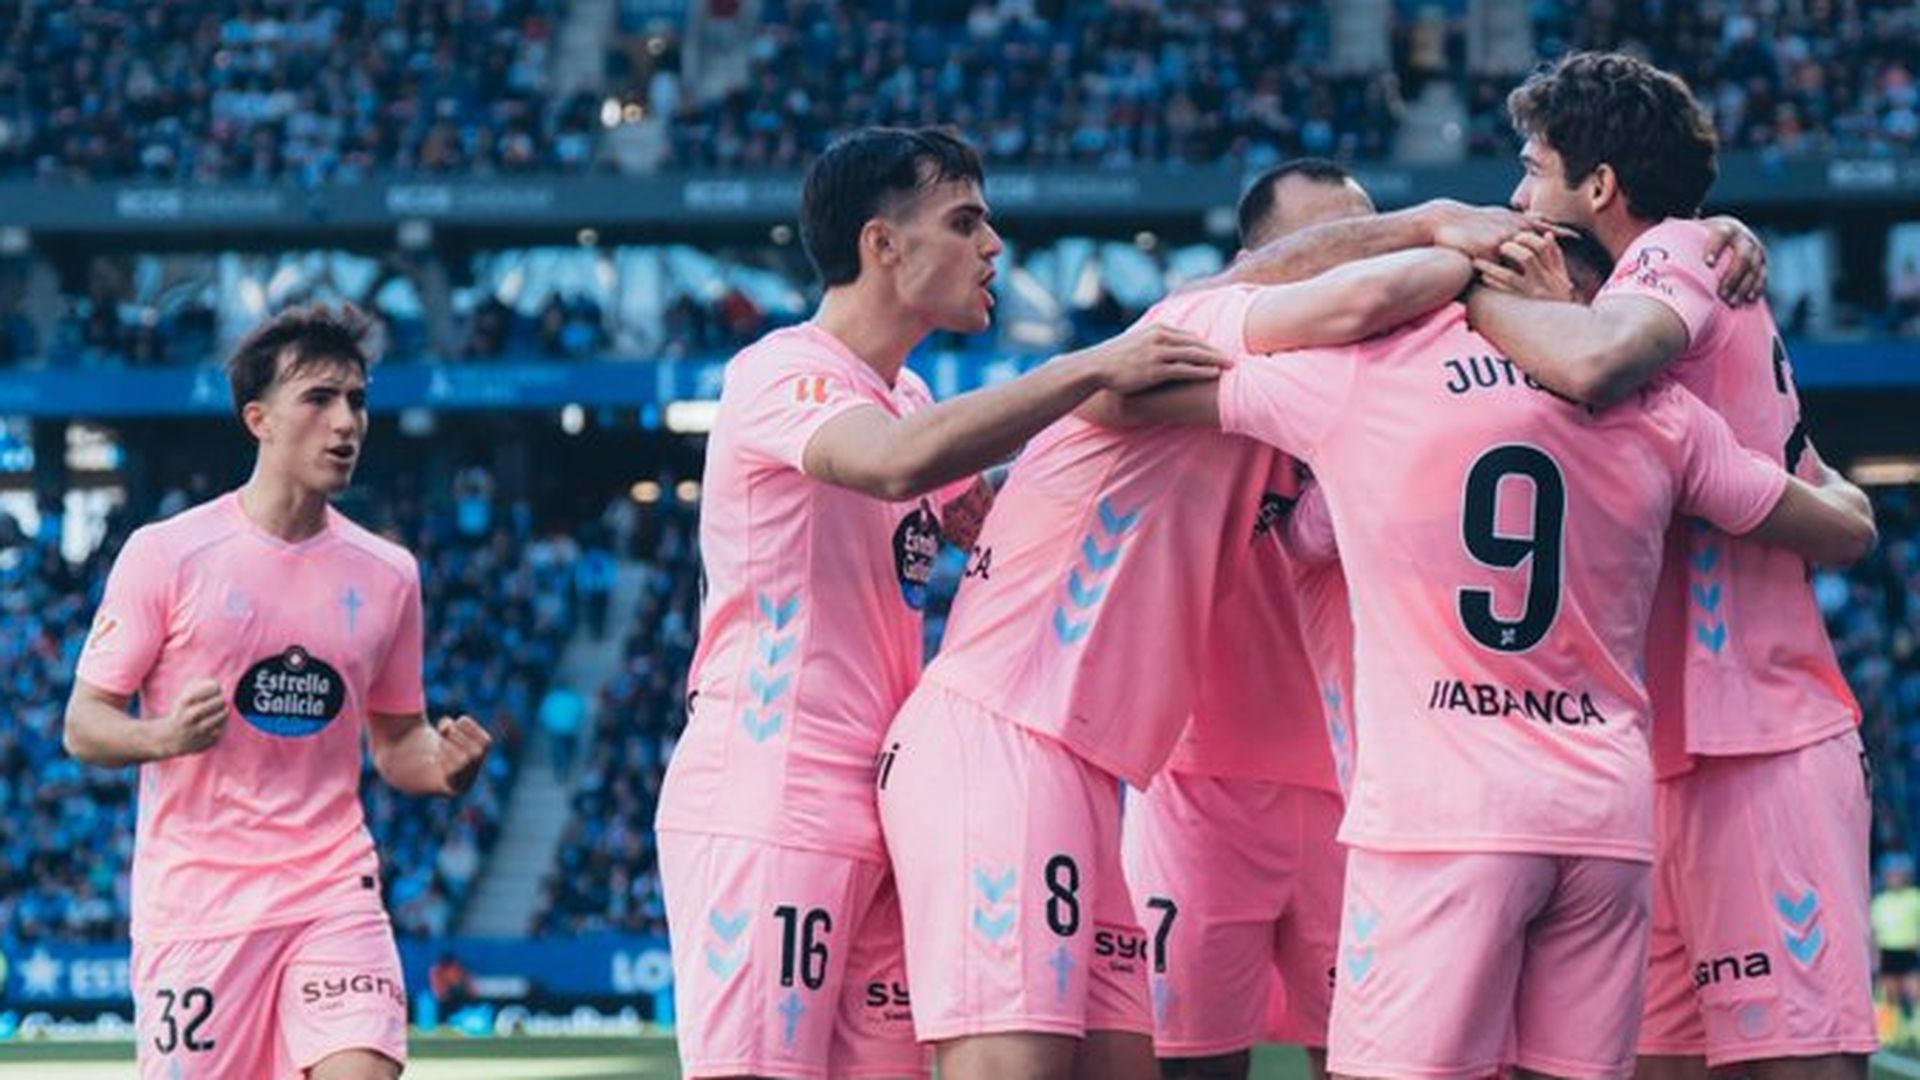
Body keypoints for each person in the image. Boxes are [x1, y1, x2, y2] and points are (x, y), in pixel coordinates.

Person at [1085, 232, 1877, 1080]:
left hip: (1448, 818)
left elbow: (1139, 389)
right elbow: (1836, 528)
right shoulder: (1660, 411)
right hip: (1605, 820)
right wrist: (1830, 474)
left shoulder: (1377, 378)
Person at [875, 191, 1511, 1076]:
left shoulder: (1292, 397)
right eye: (1337, 241)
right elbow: (1356, 295)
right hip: (1010, 735)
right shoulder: (1191, 324)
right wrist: (1454, 225)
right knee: (1013, 1062)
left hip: (1090, 764)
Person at [652, 126, 1234, 1080]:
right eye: (966, 222)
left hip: (897, 800)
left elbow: (1002, 519)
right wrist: (1089, 368)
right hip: (773, 791)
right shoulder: (779, 373)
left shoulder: (908, 391)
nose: (993, 246)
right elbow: (891, 467)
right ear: (882, 245)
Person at [1466, 51, 1880, 1079]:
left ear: (1598, 186)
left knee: (1798, 1062)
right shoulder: (1688, 266)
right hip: (1650, 753)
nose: (1515, 198)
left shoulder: (1674, 256)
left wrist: (1465, 289)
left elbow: (1601, 360)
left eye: (1532, 168)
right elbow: (1835, 498)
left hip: (1758, 740)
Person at [63, 302, 495, 1080]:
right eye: (320, 398)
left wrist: (446, 766)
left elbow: (399, 745)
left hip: (333, 891)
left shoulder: (389, 574)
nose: (346, 422)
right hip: (199, 908)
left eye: (358, 400)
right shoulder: (167, 554)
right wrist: (160, 737)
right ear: (258, 419)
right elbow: (84, 725)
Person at [1117, 159, 1371, 1080]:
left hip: (1366, 792)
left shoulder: (1410, 375)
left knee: (1371, 1062)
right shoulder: (1188, 366)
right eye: (1315, 248)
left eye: (1359, 242)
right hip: (1198, 782)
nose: (1343, 269)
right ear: (1249, 267)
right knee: (1191, 1065)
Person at [1873, 855, 1920, 1047]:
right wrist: (1874, 954)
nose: (1895, 878)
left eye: (1898, 875)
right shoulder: (1880, 901)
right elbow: (1874, 930)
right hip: (1888, 950)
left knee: (1915, 992)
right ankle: (1892, 1032)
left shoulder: (1914, 898)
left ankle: (1915, 1031)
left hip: (1908, 950)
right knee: (1890, 994)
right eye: (1891, 875)